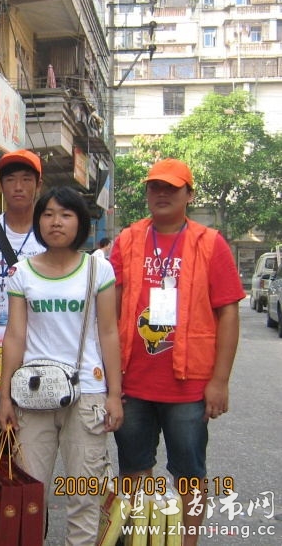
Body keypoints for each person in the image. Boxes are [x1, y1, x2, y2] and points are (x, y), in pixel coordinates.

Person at [110, 159, 245, 546]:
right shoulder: (128, 240)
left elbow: (228, 313)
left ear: (189, 194)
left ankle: (186, 542)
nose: (162, 193)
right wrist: (108, 379)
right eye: (155, 187)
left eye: (172, 187)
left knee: (188, 474)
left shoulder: (210, 243)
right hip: (133, 382)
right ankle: (140, 539)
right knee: (134, 470)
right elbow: (110, 311)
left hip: (189, 386)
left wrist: (220, 381)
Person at [0, 186, 123, 544]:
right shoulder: (22, 272)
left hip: (87, 394)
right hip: (33, 395)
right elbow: (14, 336)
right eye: (48, 214)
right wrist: (5, 397)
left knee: (84, 495)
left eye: (66, 215)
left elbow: (109, 332)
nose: (56, 222)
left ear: (80, 222)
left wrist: (115, 395)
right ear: (38, 221)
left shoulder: (98, 269)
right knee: (30, 494)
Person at [0, 148, 45, 459]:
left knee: (33, 449)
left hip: (38, 351)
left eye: (26, 179)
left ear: (38, 186)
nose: (18, 186)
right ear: (0, 185)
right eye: (11, 179)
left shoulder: (49, 232)